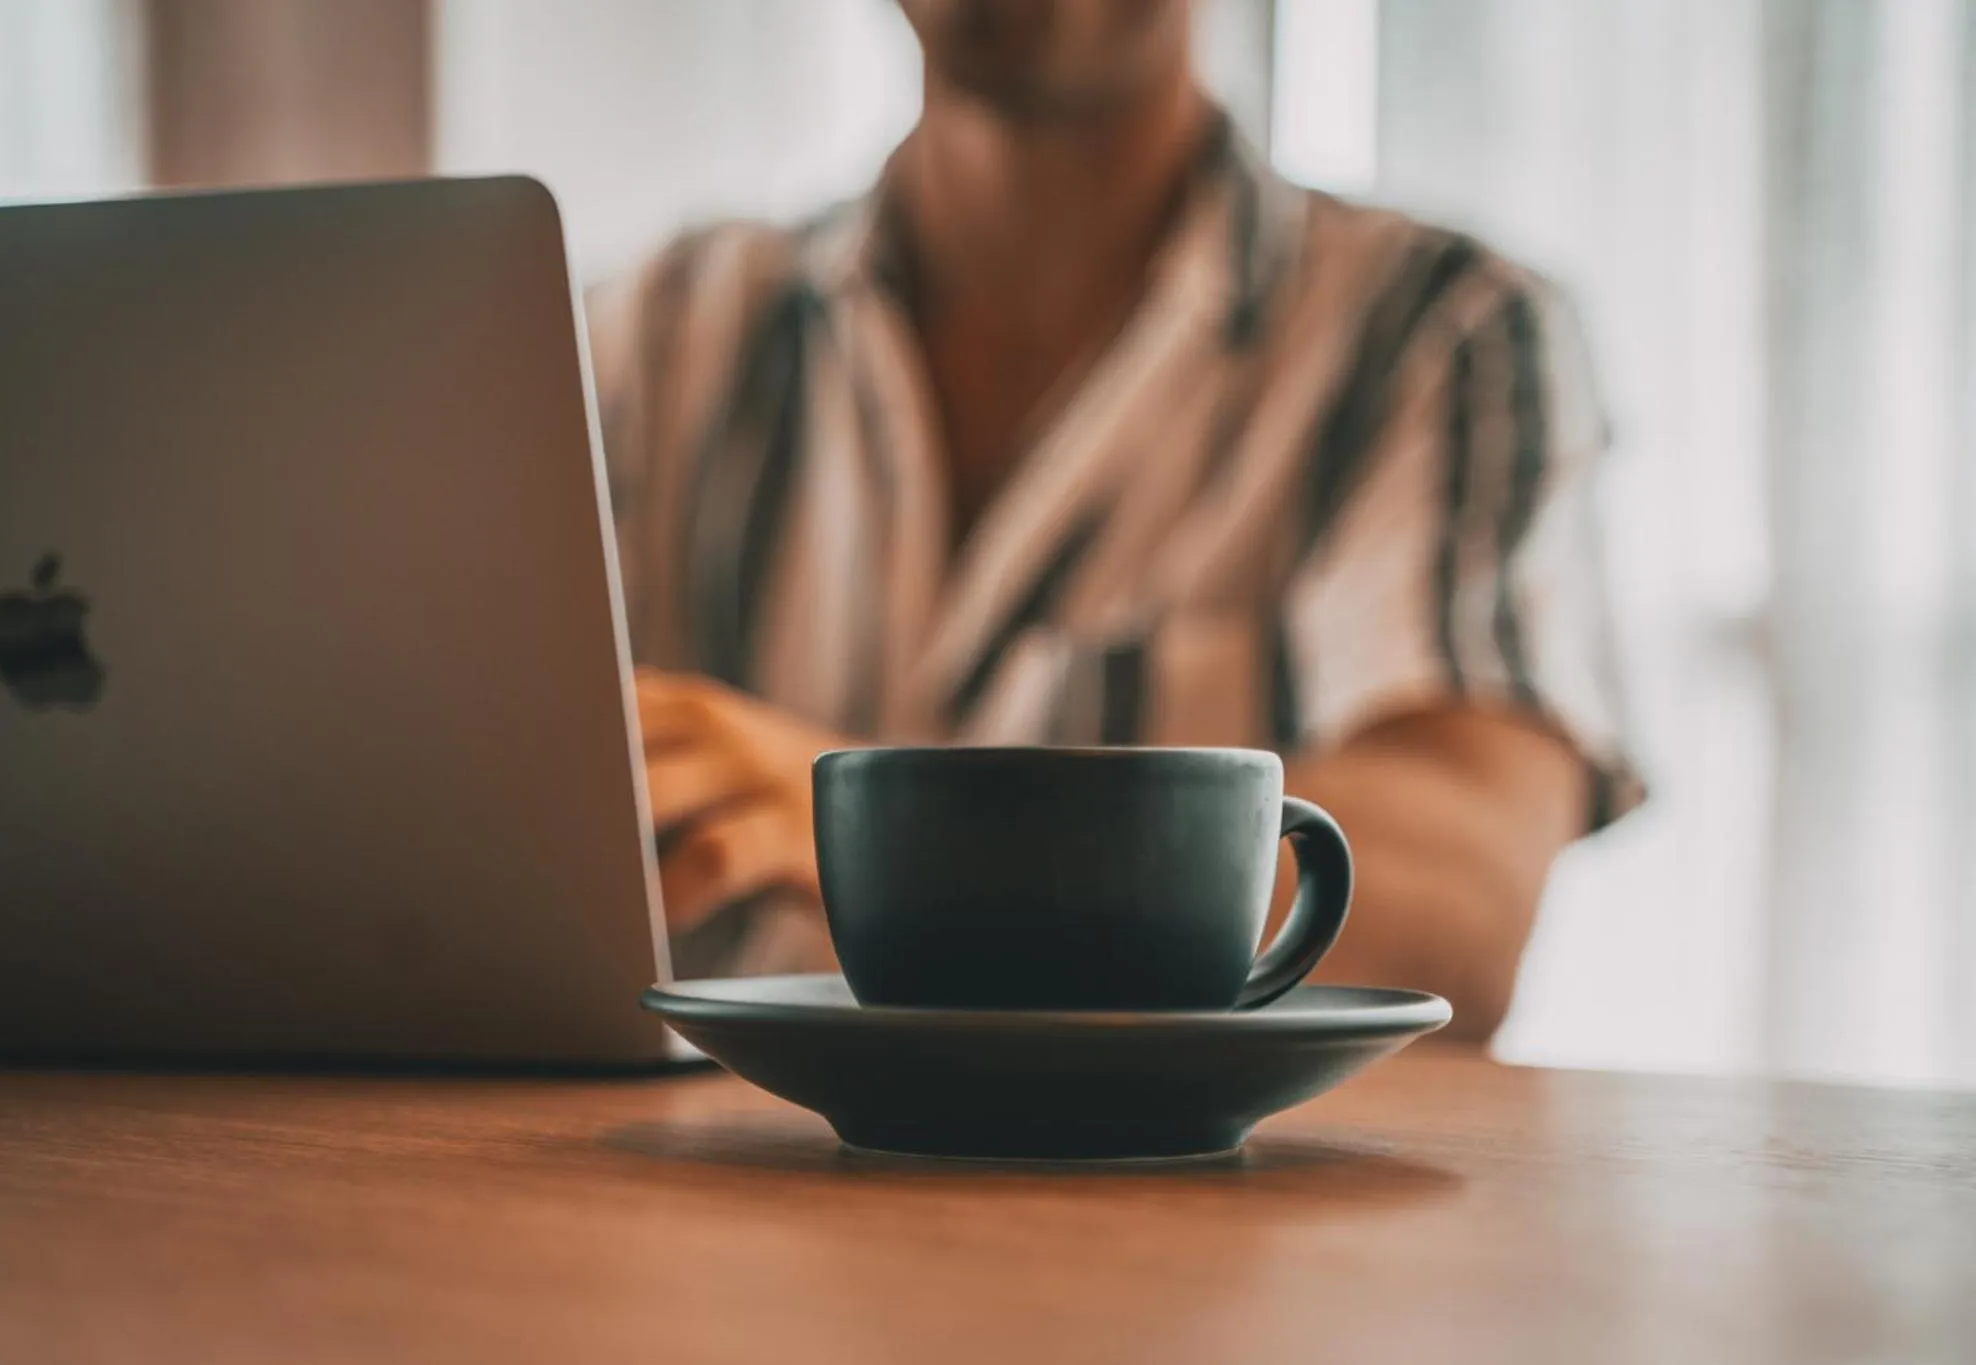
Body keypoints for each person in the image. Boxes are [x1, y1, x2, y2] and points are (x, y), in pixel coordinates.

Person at [587, 0, 1641, 1042]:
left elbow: (1457, 907)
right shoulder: (648, 337)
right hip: (682, 1186)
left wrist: (908, 852)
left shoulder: (1440, 336)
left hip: (1196, 1208)